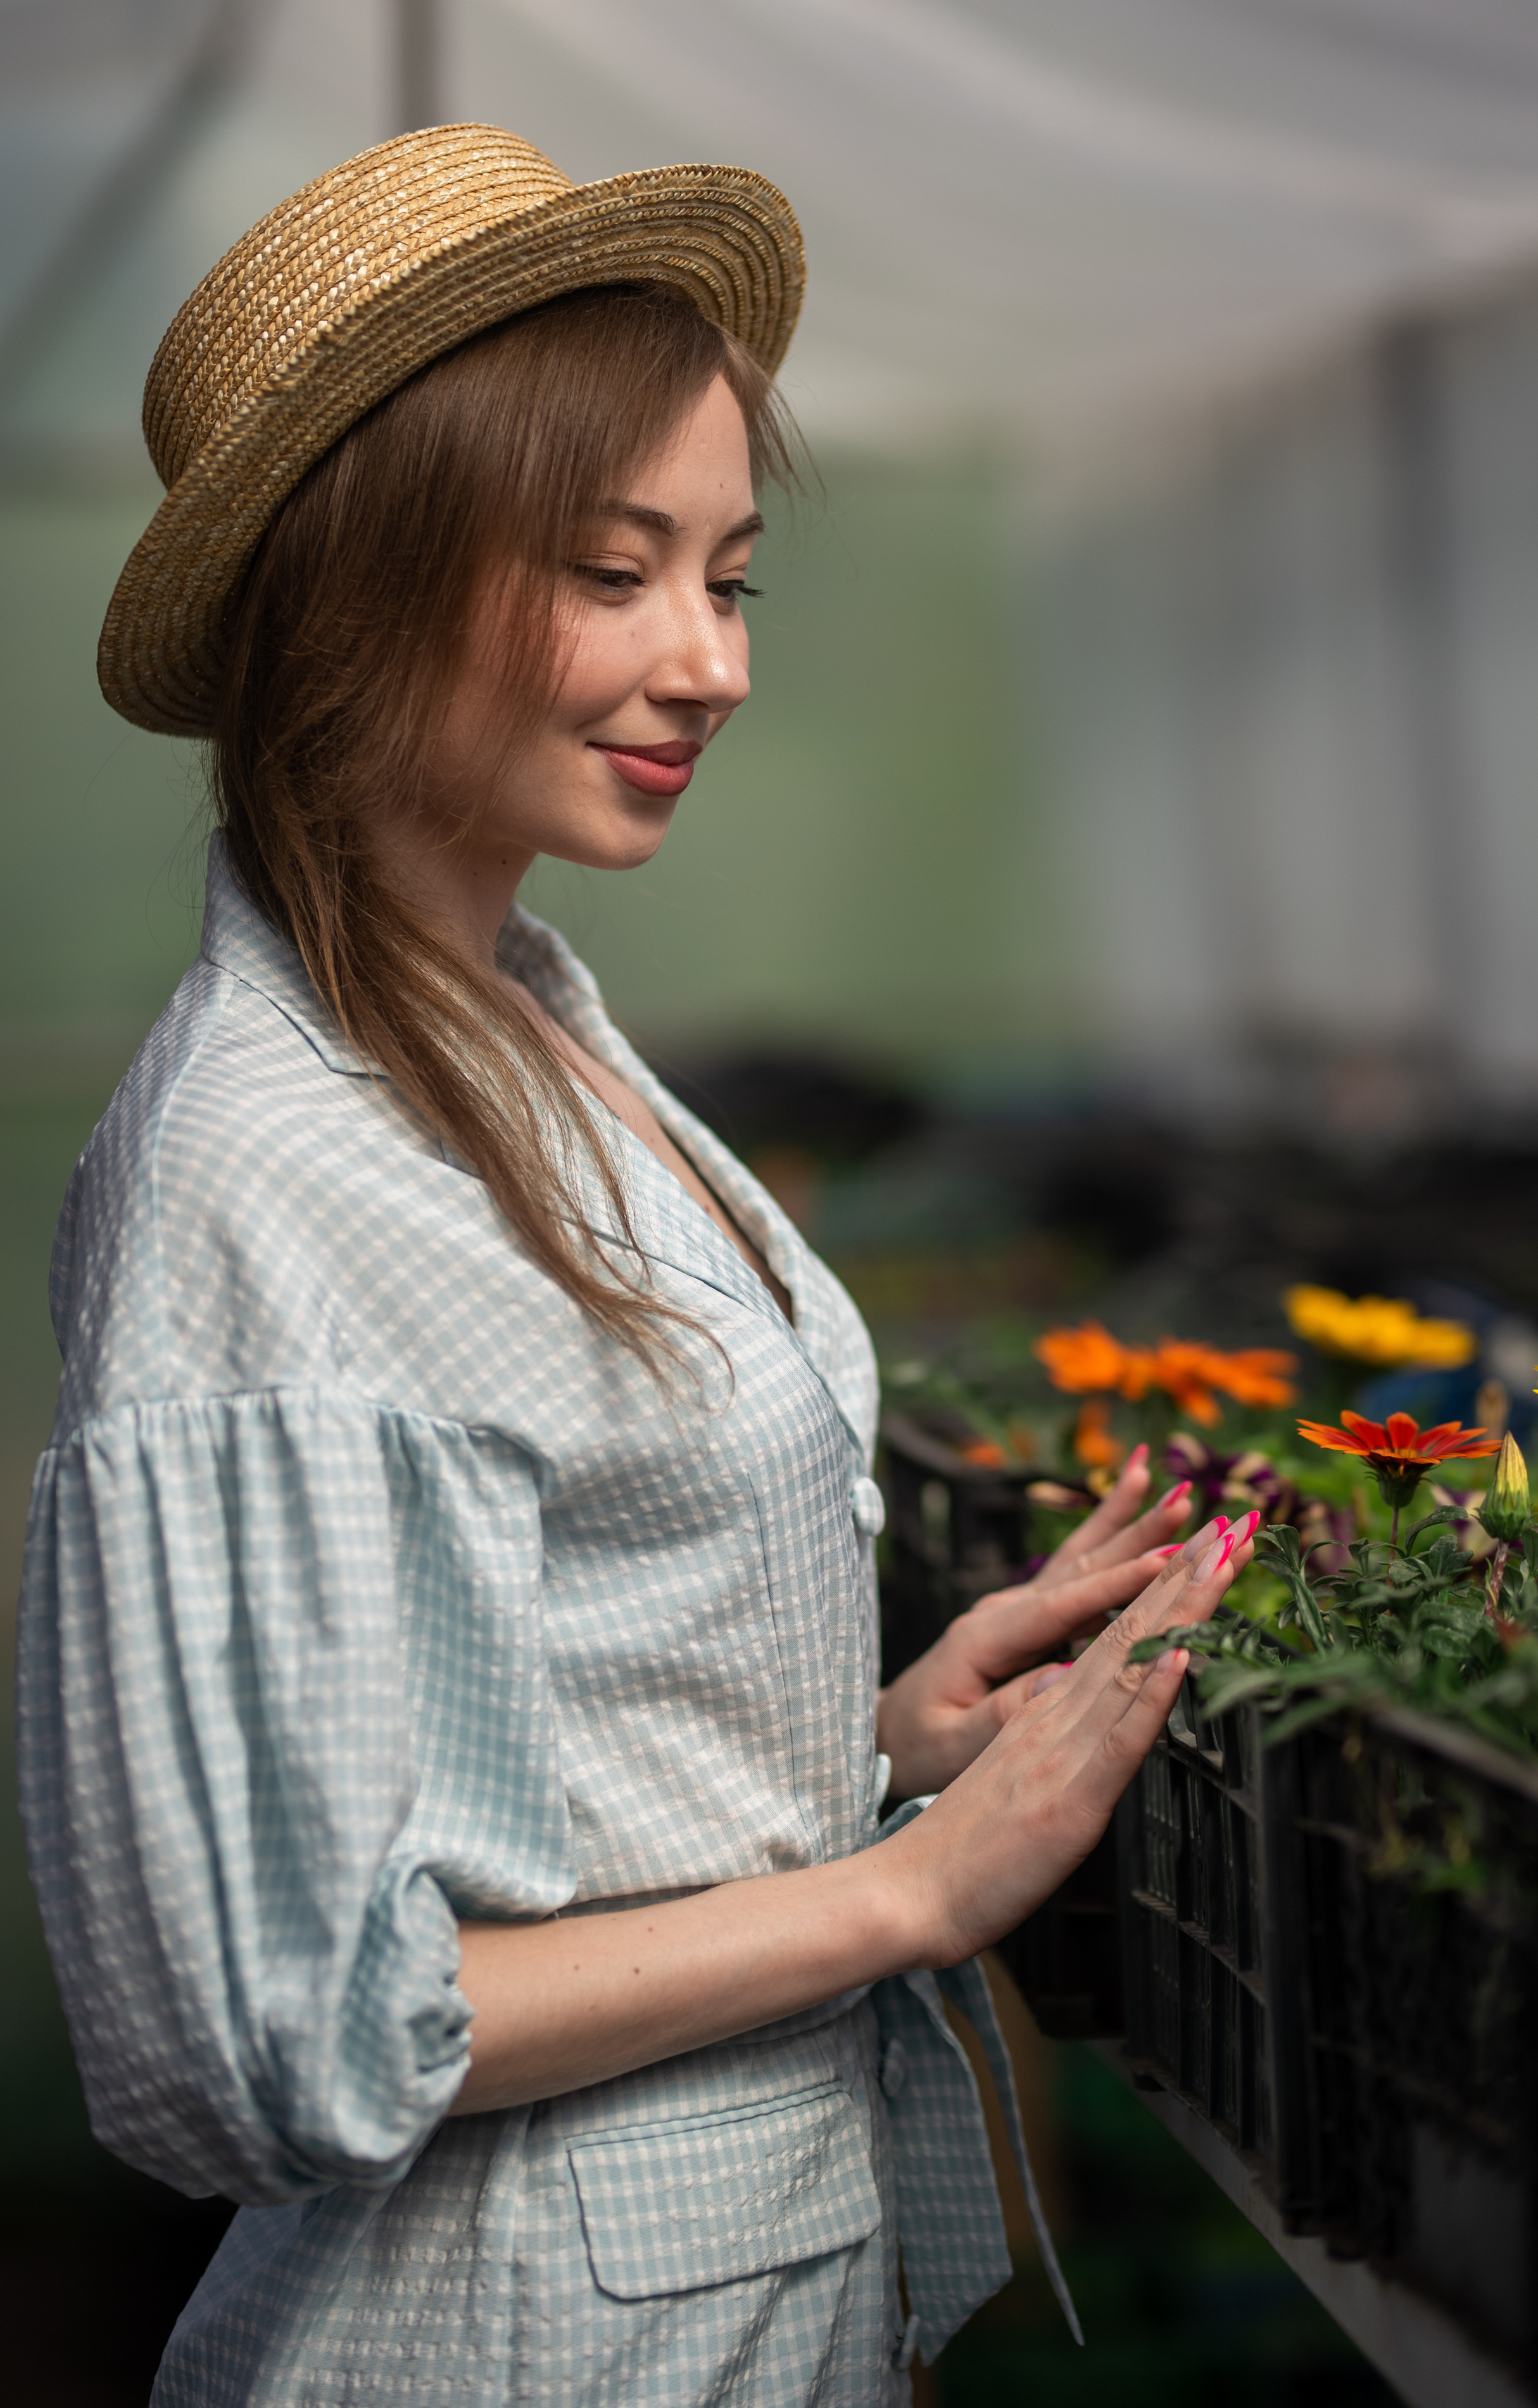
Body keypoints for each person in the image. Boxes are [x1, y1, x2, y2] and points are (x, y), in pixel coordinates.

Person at [16, 125, 1252, 2407]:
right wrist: (910, 1889)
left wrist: (886, 1746)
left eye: (734, 578)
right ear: (357, 589)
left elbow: (514, 1798)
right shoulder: (254, 1172)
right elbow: (268, 2034)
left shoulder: (518, 1026)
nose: (712, 662)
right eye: (616, 571)